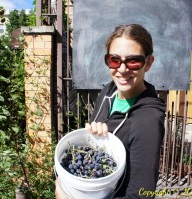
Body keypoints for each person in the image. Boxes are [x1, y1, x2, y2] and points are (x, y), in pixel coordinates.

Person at [56, 24, 165, 199]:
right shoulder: (109, 91)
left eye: (133, 61)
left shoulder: (148, 119)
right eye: (115, 60)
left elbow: (140, 195)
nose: (122, 69)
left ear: (148, 63)